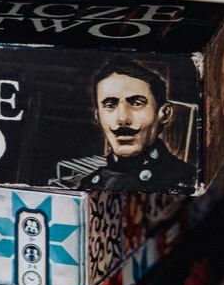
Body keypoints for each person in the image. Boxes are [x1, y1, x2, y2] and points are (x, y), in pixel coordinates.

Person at [75, 61, 190, 193]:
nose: (123, 119)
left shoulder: (185, 181)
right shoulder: (88, 185)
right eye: (110, 105)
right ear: (97, 116)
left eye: (136, 103)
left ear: (164, 114)